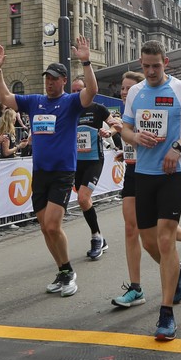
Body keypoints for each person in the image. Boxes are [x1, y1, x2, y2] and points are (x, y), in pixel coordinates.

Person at [119, 41, 181, 340]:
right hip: (143, 175)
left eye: (156, 66)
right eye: (146, 66)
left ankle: (166, 313)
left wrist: (178, 146)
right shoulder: (136, 92)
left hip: (172, 175)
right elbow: (125, 129)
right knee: (149, 243)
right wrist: (135, 137)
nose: (151, 72)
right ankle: (177, 272)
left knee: (165, 239)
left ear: (166, 63)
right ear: (141, 64)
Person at [0, 37, 97, 298]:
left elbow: (91, 92)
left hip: (62, 172)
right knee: (44, 227)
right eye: (47, 78)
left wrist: (86, 62)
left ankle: (69, 272)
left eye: (54, 79)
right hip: (40, 173)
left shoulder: (71, 102)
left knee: (52, 225)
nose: (49, 83)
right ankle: (62, 270)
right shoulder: (34, 101)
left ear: (63, 81)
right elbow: (4, 96)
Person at [112, 72, 181, 309]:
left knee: (162, 233)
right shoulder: (127, 109)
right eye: (122, 88)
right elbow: (129, 135)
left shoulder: (162, 97)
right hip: (135, 172)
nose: (124, 91)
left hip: (160, 171)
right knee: (133, 229)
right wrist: (128, 144)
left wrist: (176, 146)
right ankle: (137, 286)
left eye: (129, 87)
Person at [71, 77, 110, 261]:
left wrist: (109, 132)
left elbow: (116, 124)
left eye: (79, 90)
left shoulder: (98, 109)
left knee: (83, 198)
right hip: (76, 163)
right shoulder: (71, 110)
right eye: (73, 90)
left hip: (94, 160)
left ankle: (96, 238)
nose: (76, 93)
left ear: (87, 90)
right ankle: (100, 237)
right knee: (83, 201)